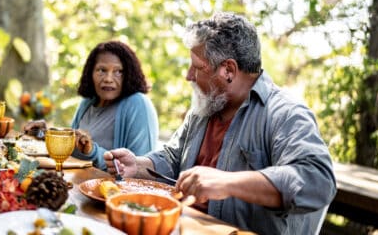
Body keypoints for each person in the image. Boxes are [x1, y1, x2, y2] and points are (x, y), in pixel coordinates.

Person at [104, 12, 336, 234]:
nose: (188, 76)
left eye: (197, 66)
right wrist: (138, 165)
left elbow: (317, 180)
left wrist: (227, 182)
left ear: (228, 70)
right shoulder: (206, 106)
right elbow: (174, 158)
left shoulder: (285, 114)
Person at [71, 40, 159, 171]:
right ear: (90, 73)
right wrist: (45, 134)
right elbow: (71, 148)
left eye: (118, 72)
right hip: (78, 183)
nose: (108, 79)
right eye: (102, 70)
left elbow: (140, 169)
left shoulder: (138, 104)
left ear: (129, 74)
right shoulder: (87, 103)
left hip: (113, 190)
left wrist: (92, 151)